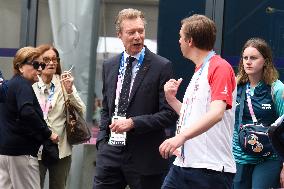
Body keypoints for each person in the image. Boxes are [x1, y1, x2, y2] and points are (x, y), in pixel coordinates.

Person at [94, 8, 178, 189]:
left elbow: (169, 114)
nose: (137, 37)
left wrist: (133, 122)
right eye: (131, 32)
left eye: (141, 31)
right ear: (119, 35)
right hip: (110, 153)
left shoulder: (161, 66)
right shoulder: (109, 65)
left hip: (145, 157)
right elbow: (106, 108)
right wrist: (102, 141)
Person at [159, 14, 236, 189]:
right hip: (184, 164)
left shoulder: (220, 67)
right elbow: (195, 116)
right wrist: (172, 100)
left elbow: (216, 114)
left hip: (210, 168)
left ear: (190, 41)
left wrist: (181, 137)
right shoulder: (199, 70)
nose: (179, 41)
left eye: (180, 37)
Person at [0, 46, 59, 189]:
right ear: (20, 67)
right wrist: (48, 133)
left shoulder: (9, 85)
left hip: (5, 152)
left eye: (42, 65)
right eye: (35, 64)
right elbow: (27, 112)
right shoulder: (22, 85)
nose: (39, 69)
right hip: (22, 154)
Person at [232, 38, 284, 189]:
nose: (248, 62)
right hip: (239, 157)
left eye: (253, 58)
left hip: (269, 158)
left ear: (265, 61)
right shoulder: (235, 86)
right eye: (245, 58)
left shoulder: (277, 89)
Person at [33, 44, 86, 189]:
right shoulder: (31, 83)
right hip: (35, 147)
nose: (51, 63)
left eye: (54, 59)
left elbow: (82, 110)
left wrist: (69, 92)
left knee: (59, 186)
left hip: (60, 147)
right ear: (38, 62)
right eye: (46, 59)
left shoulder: (64, 82)